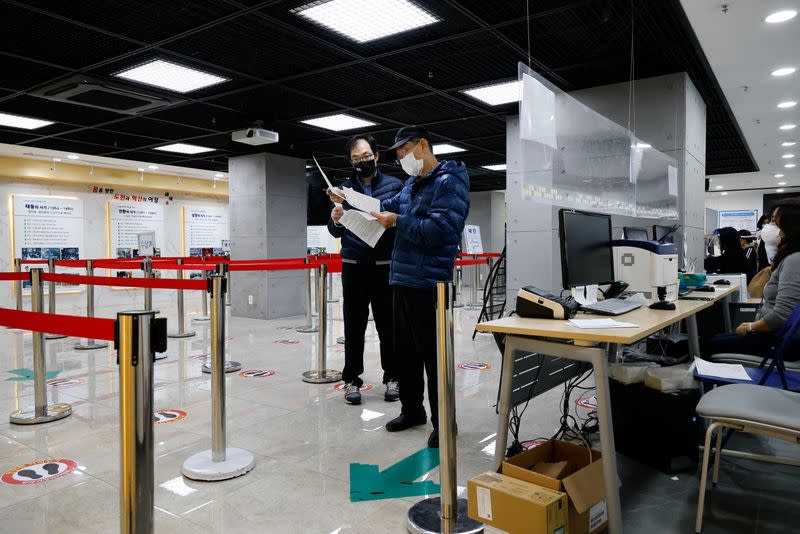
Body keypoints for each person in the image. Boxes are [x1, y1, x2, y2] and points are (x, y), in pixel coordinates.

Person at [370, 126, 470, 448]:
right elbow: (389, 203)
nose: (400, 157)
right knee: (405, 354)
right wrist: (353, 204)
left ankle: (444, 423)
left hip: (430, 285)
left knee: (433, 357)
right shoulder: (413, 185)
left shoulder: (449, 182)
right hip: (402, 279)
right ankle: (412, 410)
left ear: (423, 145)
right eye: (397, 153)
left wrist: (397, 222)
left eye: (404, 150)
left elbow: (440, 231)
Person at [326, 134, 403, 405]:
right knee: (354, 326)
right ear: (350, 161)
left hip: (384, 266)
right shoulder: (343, 190)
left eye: (366, 157)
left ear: (377, 156)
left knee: (388, 326)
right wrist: (337, 218)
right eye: (356, 159)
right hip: (353, 266)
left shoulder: (395, 186)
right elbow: (333, 228)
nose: (362, 162)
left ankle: (393, 377)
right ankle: (351, 380)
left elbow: (402, 220)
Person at [702, 200, 800, 361]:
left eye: (775, 222)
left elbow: (782, 316)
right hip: (775, 337)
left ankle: (710, 384)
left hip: (779, 343)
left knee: (707, 344)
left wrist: (751, 326)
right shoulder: (792, 257)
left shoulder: (795, 260)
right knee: (714, 339)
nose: (770, 228)